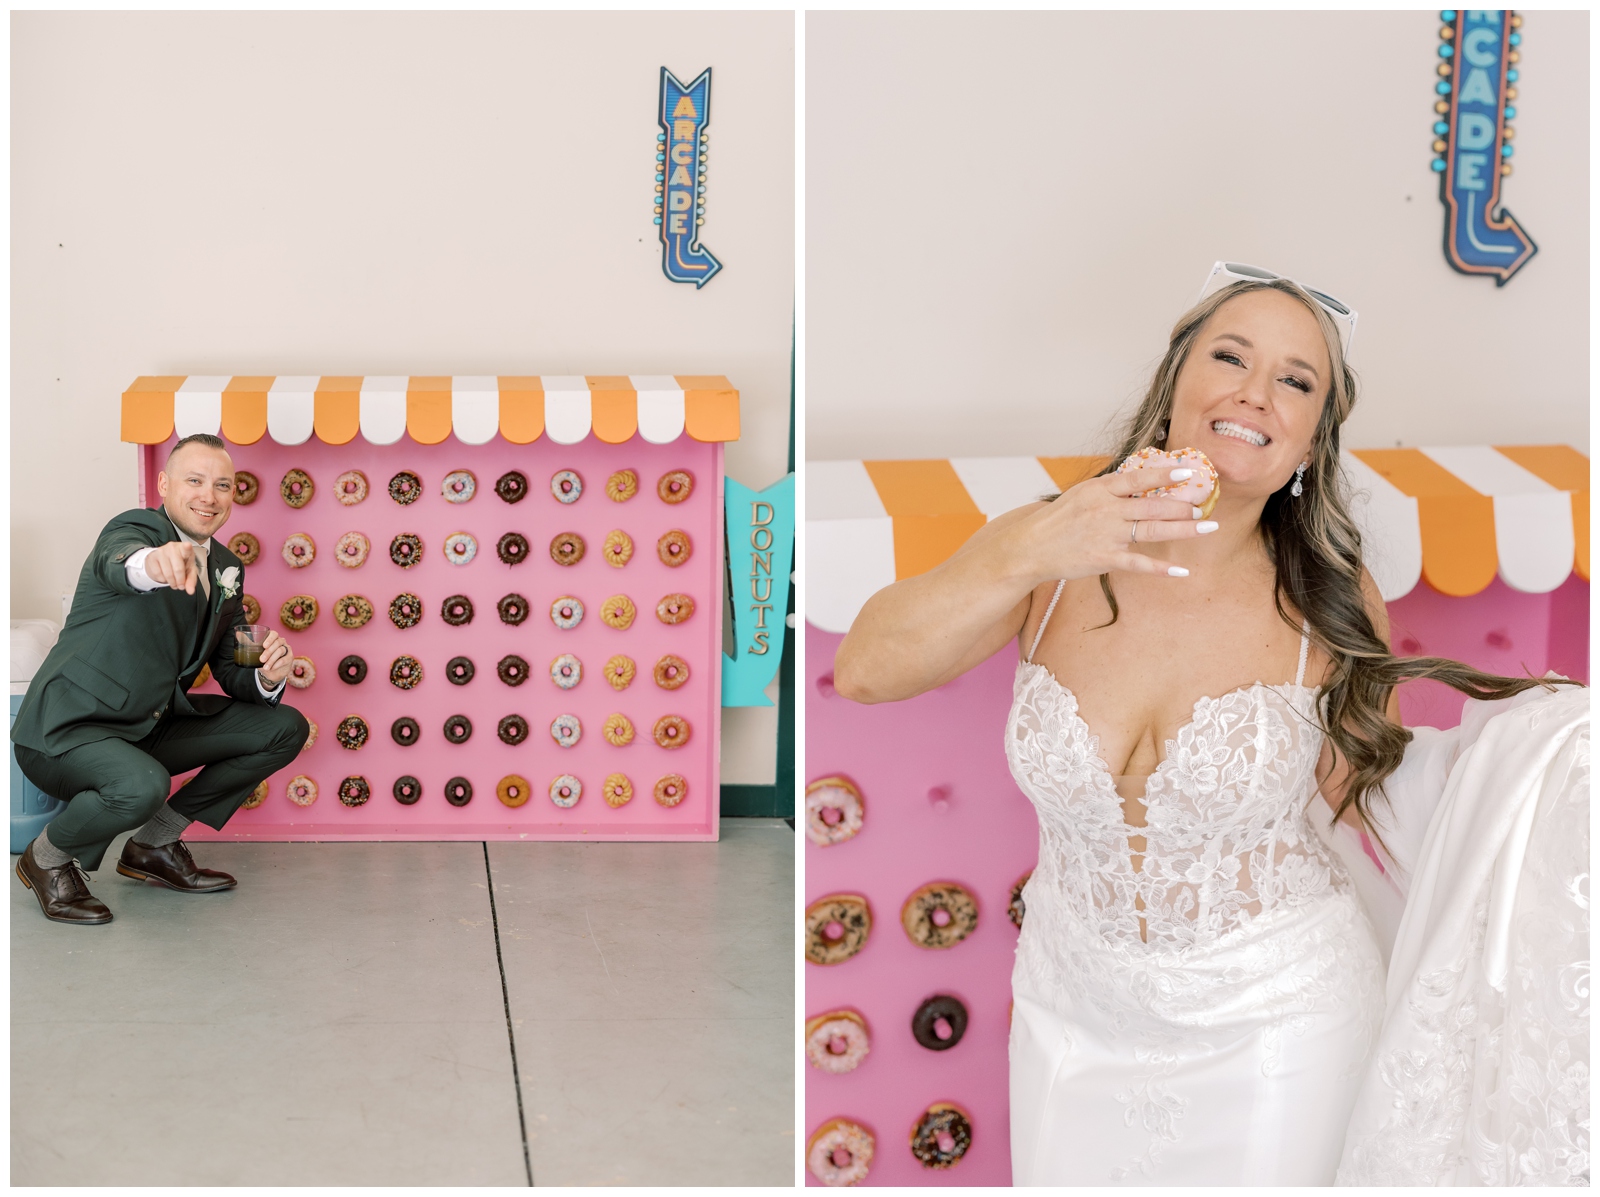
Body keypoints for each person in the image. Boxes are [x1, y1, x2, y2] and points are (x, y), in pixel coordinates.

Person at [832, 271, 1570, 1185]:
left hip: (1276, 1027)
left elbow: (1371, 799)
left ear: (1311, 440)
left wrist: (1539, 762)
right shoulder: (1050, 551)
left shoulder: (1330, 601)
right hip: (1068, 1016)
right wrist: (1033, 545)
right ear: (1175, 381)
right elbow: (865, 669)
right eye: (1230, 356)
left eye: (1295, 380)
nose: (1256, 392)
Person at [12, 433, 307, 925]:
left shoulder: (228, 569)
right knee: (142, 785)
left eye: (222, 485)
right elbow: (120, 561)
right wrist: (152, 564)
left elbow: (232, 666)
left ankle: (154, 845)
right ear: (164, 485)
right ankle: (45, 859)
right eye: (195, 481)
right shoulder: (137, 529)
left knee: (284, 727)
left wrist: (267, 677)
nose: (208, 496)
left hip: (147, 726)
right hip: (66, 730)